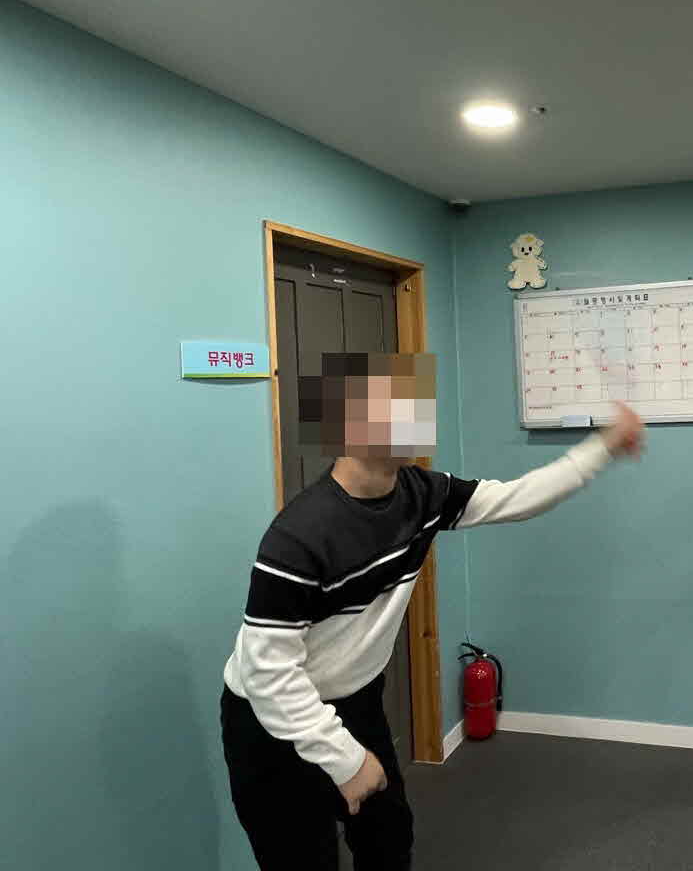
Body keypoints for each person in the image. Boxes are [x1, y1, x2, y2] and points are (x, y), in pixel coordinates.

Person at [220, 352, 644, 869]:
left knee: (388, 844)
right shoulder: (298, 536)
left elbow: (517, 498)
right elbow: (268, 674)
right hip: (271, 722)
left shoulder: (424, 493)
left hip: (356, 702)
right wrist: (344, 759)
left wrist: (603, 446)